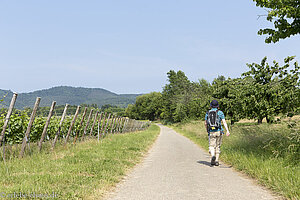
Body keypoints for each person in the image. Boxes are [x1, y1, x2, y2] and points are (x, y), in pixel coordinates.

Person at [205, 100, 230, 166]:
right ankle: (216, 161)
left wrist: (207, 130)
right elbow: (224, 122)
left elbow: (205, 123)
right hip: (219, 131)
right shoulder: (220, 112)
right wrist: (227, 130)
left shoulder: (208, 113)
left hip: (211, 131)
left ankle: (213, 155)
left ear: (211, 106)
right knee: (217, 146)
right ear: (218, 106)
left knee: (211, 146)